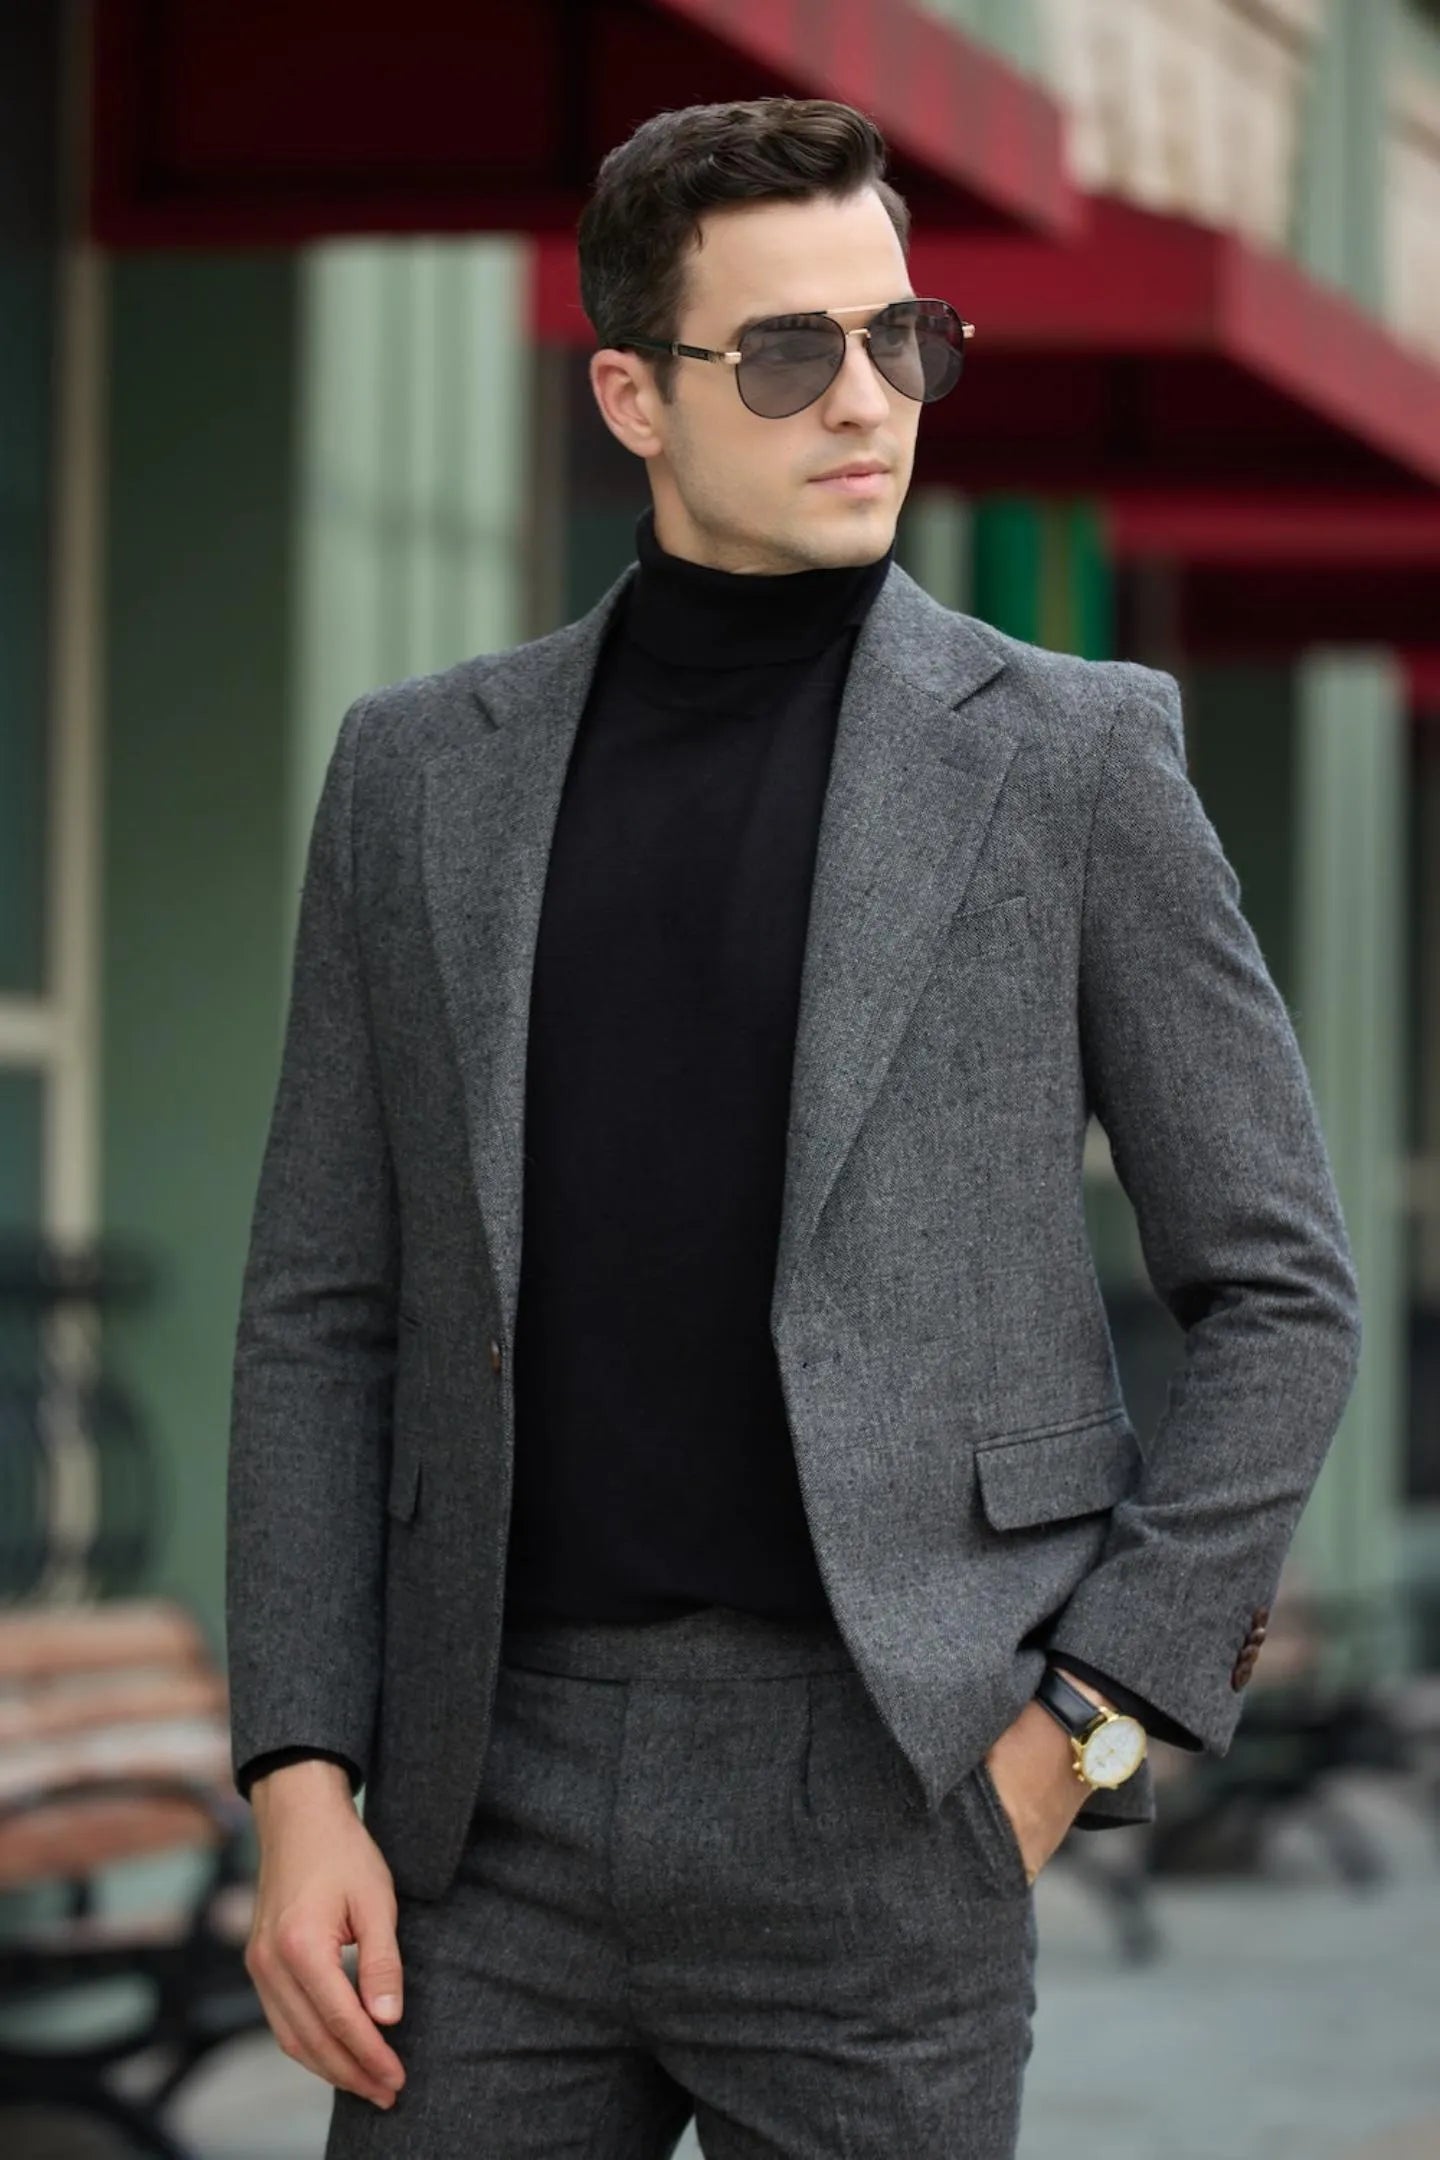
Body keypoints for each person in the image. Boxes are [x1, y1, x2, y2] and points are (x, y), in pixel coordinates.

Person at [225, 95, 1361, 2160]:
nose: (864, 399)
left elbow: (1282, 1292)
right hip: (485, 1800)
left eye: (898, 337)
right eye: (785, 352)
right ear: (631, 396)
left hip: (892, 1788)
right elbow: (325, 1308)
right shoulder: (418, 778)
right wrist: (302, 1782)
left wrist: (1086, 1727)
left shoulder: (1076, 763)